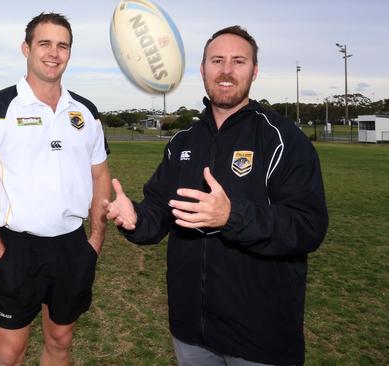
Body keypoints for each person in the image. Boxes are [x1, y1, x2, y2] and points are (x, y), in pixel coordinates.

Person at [103, 25, 328, 366]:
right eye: (216, 60)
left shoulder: (283, 139)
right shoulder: (183, 142)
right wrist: (134, 219)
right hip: (192, 333)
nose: (225, 70)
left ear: (254, 70)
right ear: (203, 69)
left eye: (238, 61)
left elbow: (308, 226)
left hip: (261, 338)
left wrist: (231, 215)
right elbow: (158, 214)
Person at [0, 12, 111, 366]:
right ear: (26, 48)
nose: (54, 53)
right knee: (11, 351)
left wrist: (95, 241)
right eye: (44, 43)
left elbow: (101, 176)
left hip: (73, 245)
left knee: (61, 340)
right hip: (17, 246)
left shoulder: (85, 112)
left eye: (63, 45)